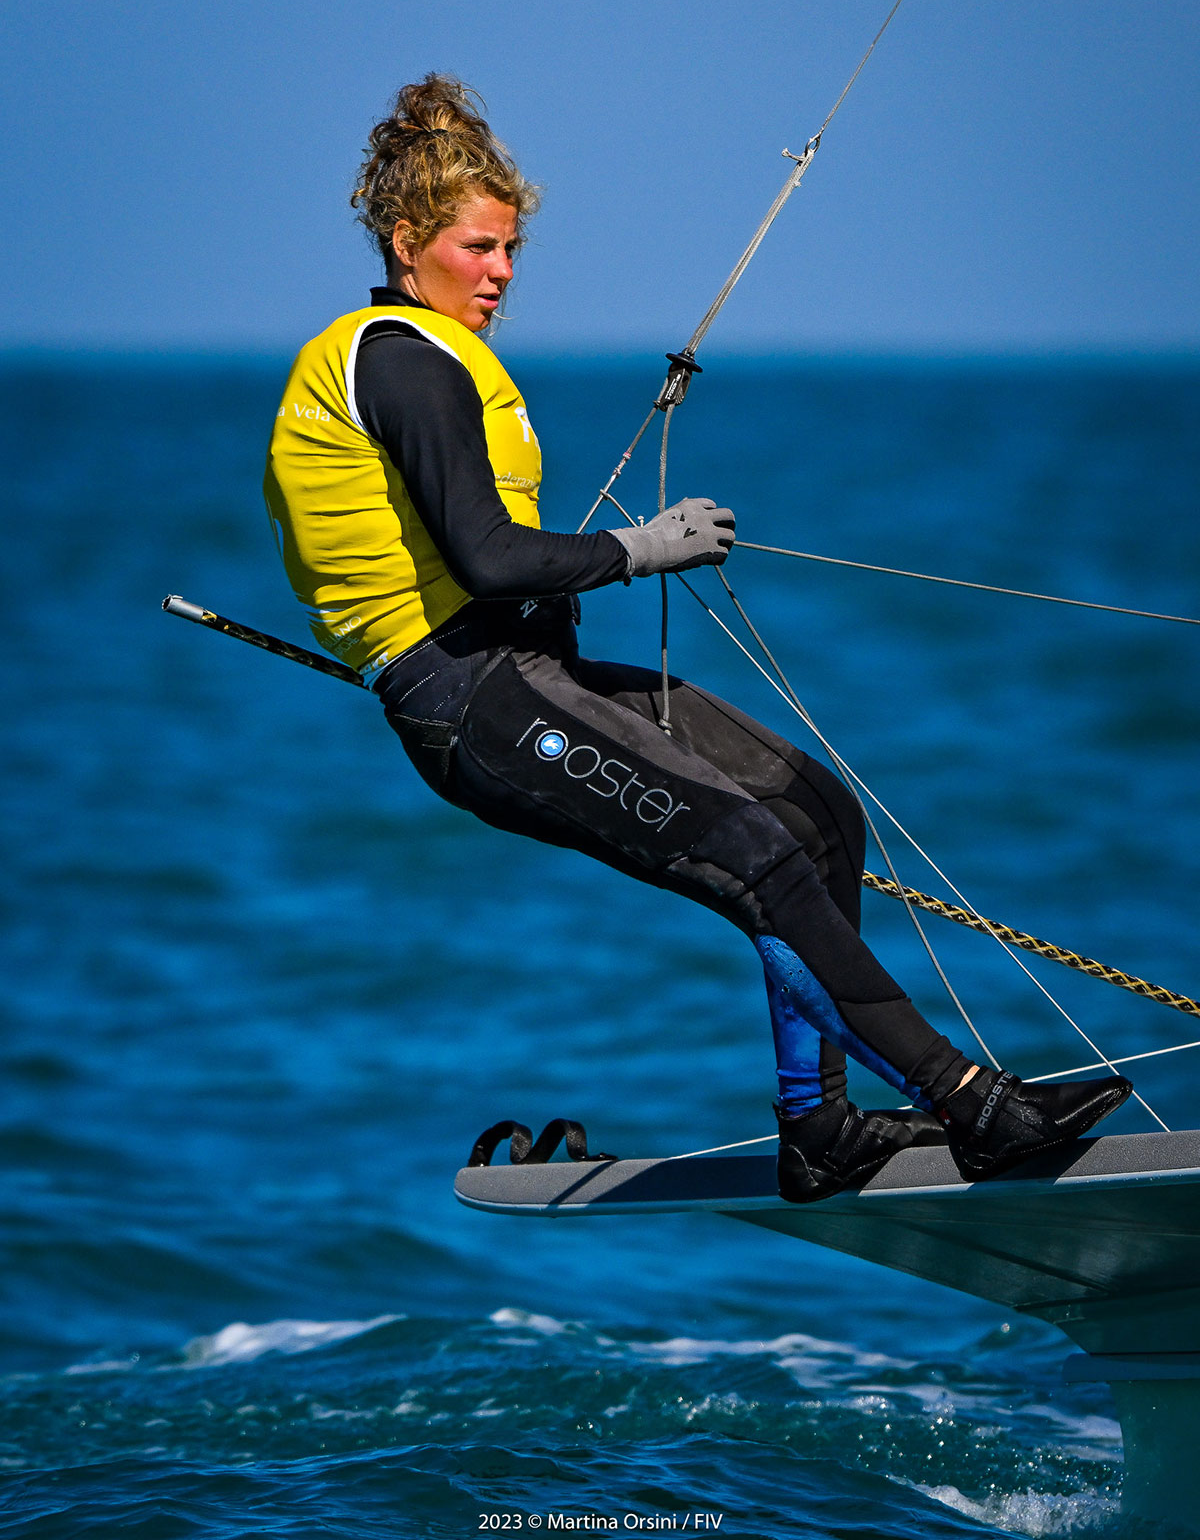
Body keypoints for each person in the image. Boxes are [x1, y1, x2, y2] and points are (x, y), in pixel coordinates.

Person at [263, 73, 1131, 1201]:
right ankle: (971, 1105)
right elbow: (485, 558)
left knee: (818, 815)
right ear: (406, 240)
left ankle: (823, 1131)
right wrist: (640, 548)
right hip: (469, 701)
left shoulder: (436, 358)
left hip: (521, 671)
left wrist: (561, 591)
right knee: (754, 855)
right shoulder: (399, 359)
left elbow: (486, 565)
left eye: (513, 249)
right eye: (481, 249)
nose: (503, 274)